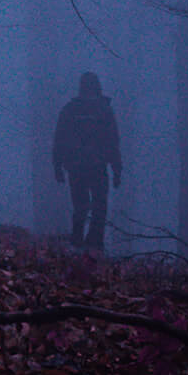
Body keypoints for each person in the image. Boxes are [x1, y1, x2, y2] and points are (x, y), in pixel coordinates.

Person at [52, 71, 121, 250]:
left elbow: (59, 139)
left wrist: (57, 167)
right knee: (99, 207)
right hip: (97, 167)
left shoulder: (70, 109)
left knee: (80, 207)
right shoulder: (104, 110)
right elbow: (112, 141)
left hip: (76, 167)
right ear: (97, 87)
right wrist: (117, 169)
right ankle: (94, 246)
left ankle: (77, 243)